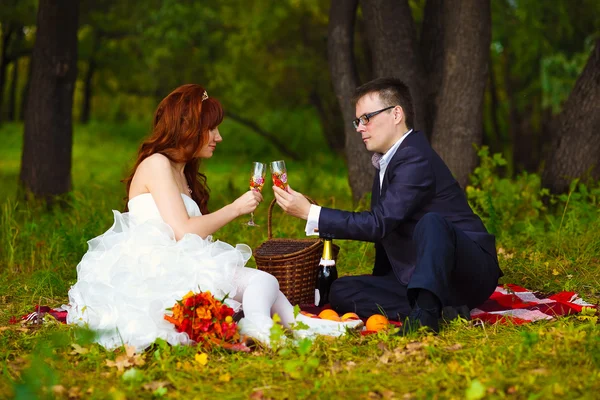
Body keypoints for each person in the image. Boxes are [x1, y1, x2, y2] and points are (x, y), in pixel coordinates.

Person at [66, 84, 362, 351]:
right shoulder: (157, 164)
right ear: (189, 127)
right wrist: (234, 209)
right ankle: (260, 325)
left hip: (181, 260)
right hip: (157, 268)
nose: (218, 137)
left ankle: (307, 325)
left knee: (265, 283)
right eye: (212, 129)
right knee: (262, 282)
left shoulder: (182, 171)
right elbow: (183, 231)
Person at [273, 77, 502, 334]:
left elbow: (379, 223)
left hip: (466, 269)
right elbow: (387, 233)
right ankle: (441, 309)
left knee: (433, 222)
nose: (360, 127)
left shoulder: (415, 156)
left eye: (366, 118)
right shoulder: (386, 160)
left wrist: (311, 213)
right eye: (357, 121)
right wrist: (382, 280)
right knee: (341, 291)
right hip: (425, 273)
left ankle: (425, 317)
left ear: (396, 114)